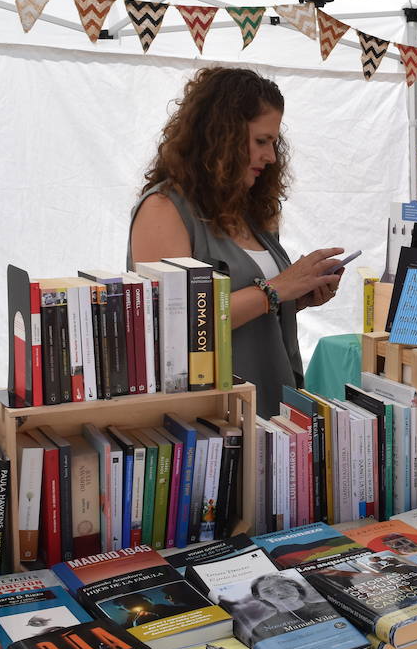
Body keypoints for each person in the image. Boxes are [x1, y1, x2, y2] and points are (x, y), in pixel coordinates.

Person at [128, 67, 344, 417]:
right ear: (221, 136)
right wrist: (276, 289)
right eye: (261, 141)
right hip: (211, 422)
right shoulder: (164, 209)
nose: (271, 156)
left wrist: (296, 296)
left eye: (274, 142)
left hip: (274, 406)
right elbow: (176, 329)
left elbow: (252, 307)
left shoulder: (251, 212)